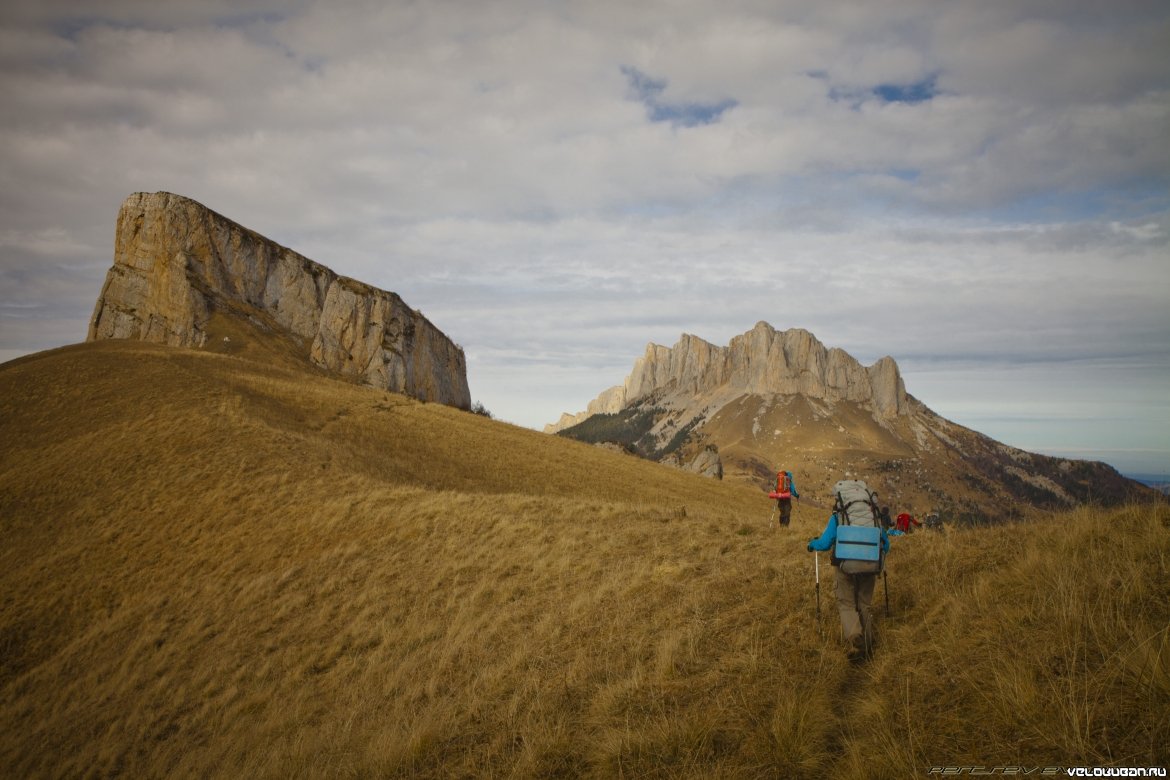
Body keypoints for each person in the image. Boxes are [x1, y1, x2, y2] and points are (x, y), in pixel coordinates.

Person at [807, 507, 890, 661]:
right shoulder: (872, 518)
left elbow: (824, 544)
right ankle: (867, 646)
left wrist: (812, 544)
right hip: (870, 567)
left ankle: (856, 639)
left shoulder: (838, 517)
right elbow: (886, 545)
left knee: (846, 603)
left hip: (845, 567)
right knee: (864, 604)